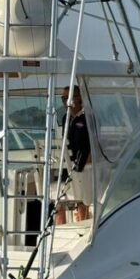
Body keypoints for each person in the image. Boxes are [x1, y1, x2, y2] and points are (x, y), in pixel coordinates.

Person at [60, 85, 92, 222]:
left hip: (84, 165)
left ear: (80, 99)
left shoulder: (88, 119)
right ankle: (59, 226)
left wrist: (78, 166)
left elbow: (90, 146)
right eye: (64, 98)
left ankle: (83, 218)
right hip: (68, 163)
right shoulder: (65, 119)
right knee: (58, 194)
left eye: (70, 97)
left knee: (81, 181)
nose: (67, 101)